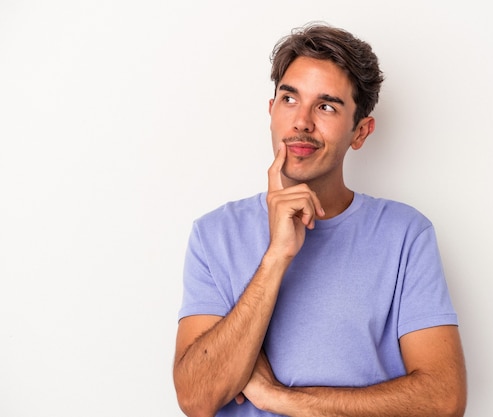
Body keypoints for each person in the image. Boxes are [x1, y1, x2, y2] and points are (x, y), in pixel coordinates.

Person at [173, 22, 466, 417]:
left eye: (326, 106)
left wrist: (279, 397)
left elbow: (443, 399)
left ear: (360, 132)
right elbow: (196, 398)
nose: (302, 122)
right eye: (289, 99)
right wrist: (277, 256)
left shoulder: (406, 235)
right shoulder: (215, 234)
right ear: (271, 110)